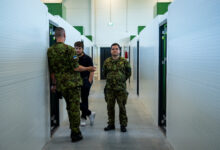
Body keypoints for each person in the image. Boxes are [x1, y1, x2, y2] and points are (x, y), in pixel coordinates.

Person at [47, 27, 96, 142]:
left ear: (55, 36)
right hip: (73, 84)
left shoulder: (50, 51)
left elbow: (52, 70)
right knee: (74, 108)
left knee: (70, 106)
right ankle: (75, 133)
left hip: (61, 85)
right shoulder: (70, 50)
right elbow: (76, 67)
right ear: (64, 35)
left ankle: (73, 128)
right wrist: (88, 68)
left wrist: (54, 84)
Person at [103, 43, 131, 132]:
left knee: (122, 107)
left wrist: (121, 79)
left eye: (116, 49)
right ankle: (111, 124)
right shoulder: (107, 61)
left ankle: (123, 125)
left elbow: (128, 72)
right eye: (112, 49)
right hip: (109, 88)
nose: (114, 50)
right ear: (110, 50)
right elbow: (104, 73)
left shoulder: (124, 61)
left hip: (121, 89)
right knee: (110, 107)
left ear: (119, 50)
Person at [74, 41, 96, 126]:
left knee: (84, 99)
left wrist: (89, 81)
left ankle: (83, 117)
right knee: (75, 100)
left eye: (79, 48)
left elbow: (92, 70)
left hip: (85, 80)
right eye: (76, 48)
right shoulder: (74, 58)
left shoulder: (88, 58)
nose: (78, 50)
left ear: (82, 49)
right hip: (75, 81)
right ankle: (90, 113)